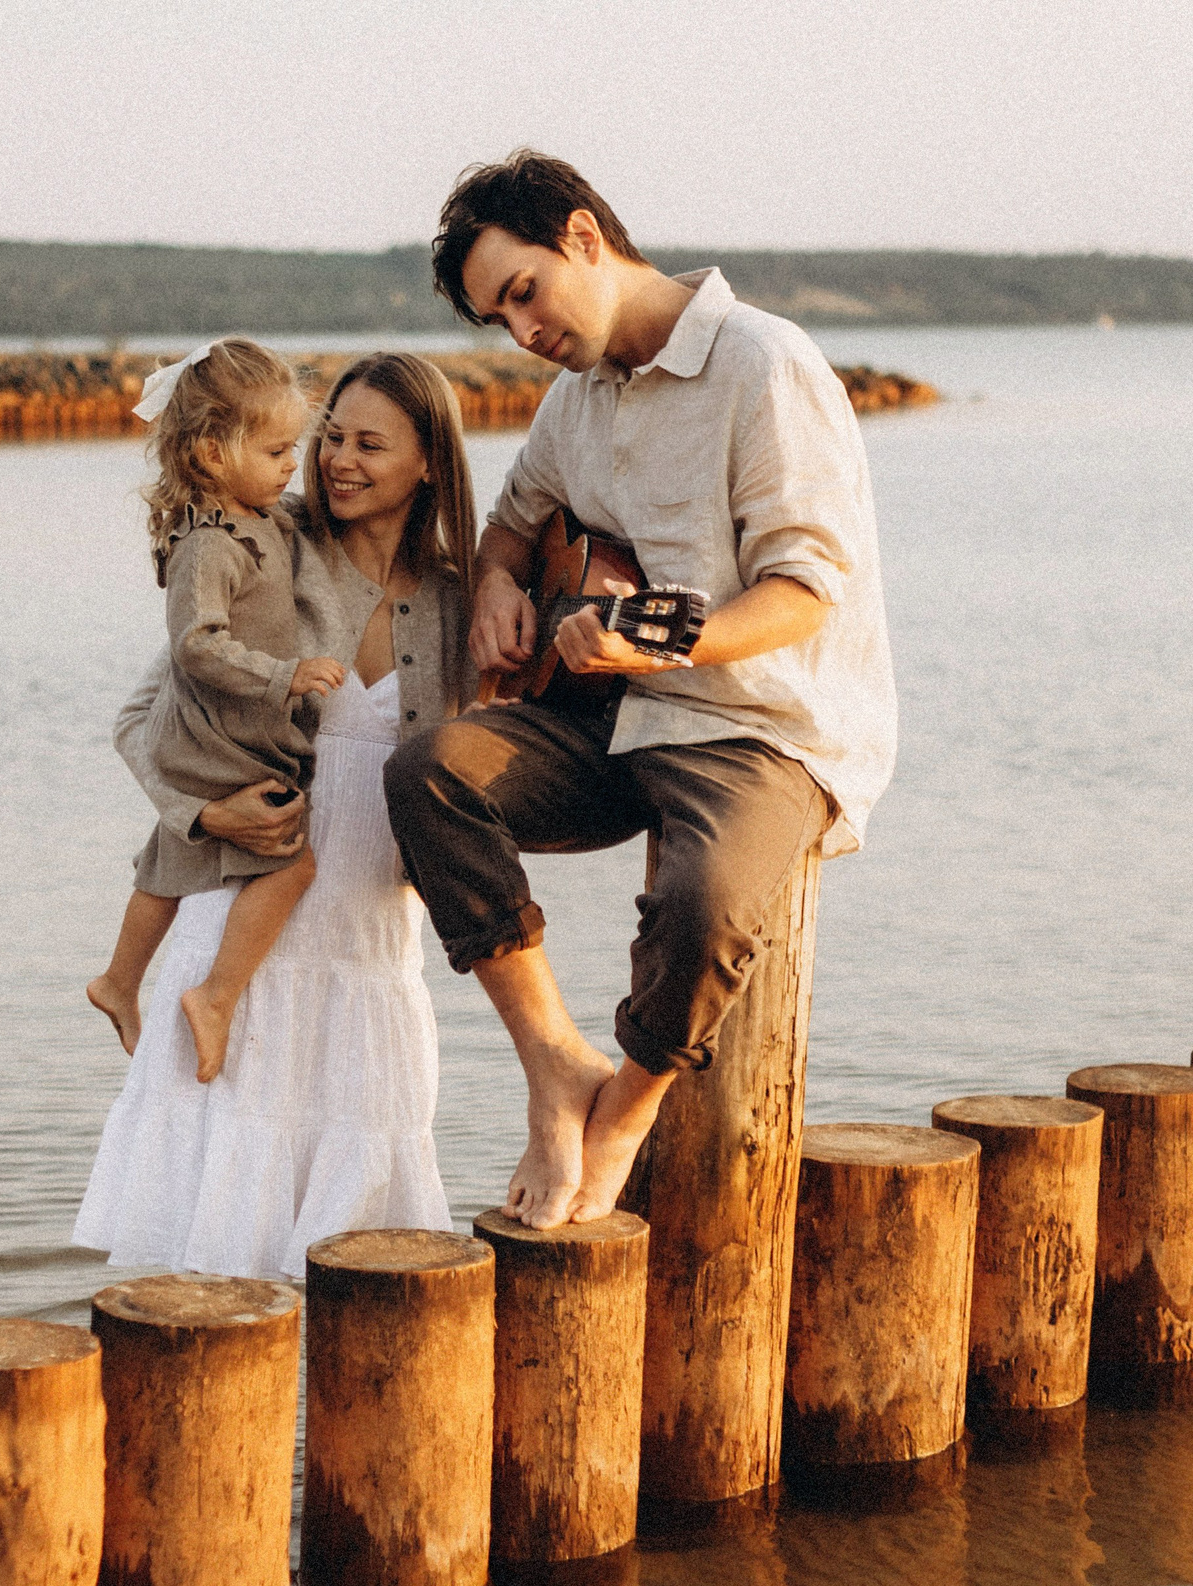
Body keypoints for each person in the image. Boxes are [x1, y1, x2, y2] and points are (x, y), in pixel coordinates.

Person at [385, 150, 898, 1229]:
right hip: (612, 722)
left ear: (583, 235)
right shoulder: (575, 400)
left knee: (701, 905)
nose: (521, 331)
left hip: (763, 727)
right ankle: (553, 1065)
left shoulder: (765, 364)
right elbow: (513, 521)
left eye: (523, 292)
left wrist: (657, 643)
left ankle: (624, 1109)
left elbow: (804, 592)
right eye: (498, 317)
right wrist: (496, 586)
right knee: (429, 772)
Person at [73, 352, 479, 1280]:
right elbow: (140, 719)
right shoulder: (265, 543)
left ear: (429, 461)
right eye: (331, 437)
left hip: (371, 951)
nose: (337, 460)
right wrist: (205, 813)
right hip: (241, 929)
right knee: (215, 1248)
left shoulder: (458, 599)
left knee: (368, 1255)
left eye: (370, 443)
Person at [84, 338, 345, 1082]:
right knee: (291, 867)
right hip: (220, 734)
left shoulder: (263, 516)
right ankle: (216, 995)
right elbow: (196, 645)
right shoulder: (208, 543)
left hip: (231, 731)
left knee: (170, 858)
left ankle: (119, 980)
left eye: (293, 447)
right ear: (211, 453)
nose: (292, 464)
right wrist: (286, 675)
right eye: (275, 450)